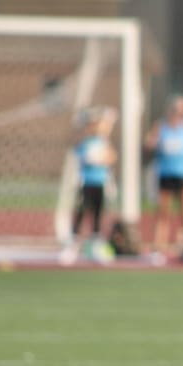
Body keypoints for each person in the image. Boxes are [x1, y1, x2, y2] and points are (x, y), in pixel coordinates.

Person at [144, 94, 183, 266]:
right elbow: (149, 143)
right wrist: (152, 142)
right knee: (163, 213)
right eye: (176, 110)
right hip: (166, 173)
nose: (179, 114)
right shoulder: (161, 126)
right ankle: (158, 249)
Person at [63, 106, 118, 264]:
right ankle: (74, 245)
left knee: (97, 214)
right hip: (85, 183)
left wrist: (102, 158)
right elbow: (76, 148)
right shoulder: (85, 143)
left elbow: (112, 158)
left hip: (100, 183)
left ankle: (96, 246)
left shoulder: (103, 142)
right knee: (81, 212)